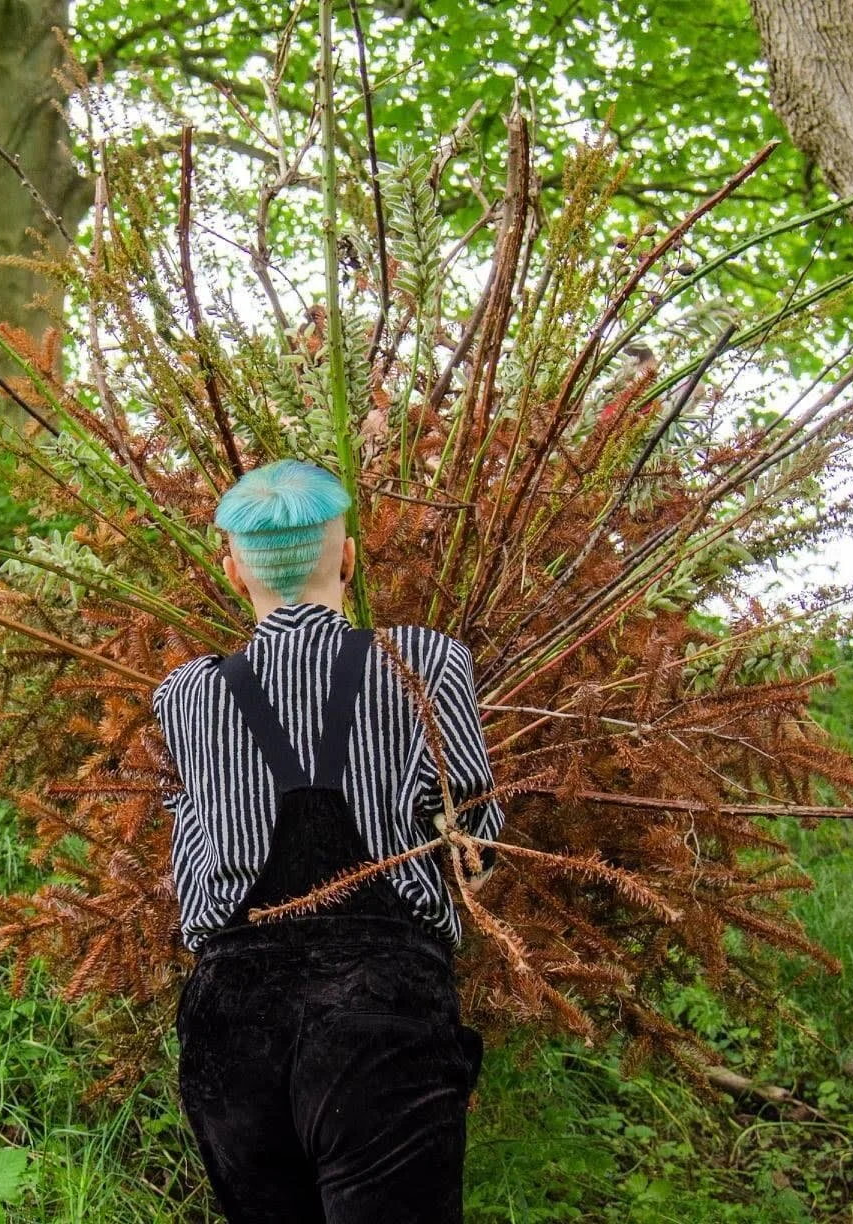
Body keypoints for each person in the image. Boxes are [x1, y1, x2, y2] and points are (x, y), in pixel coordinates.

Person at [151, 458, 505, 1224]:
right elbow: (474, 841)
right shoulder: (429, 662)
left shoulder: (184, 695)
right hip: (382, 1008)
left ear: (234, 571)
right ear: (348, 557)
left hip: (230, 1023)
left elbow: (189, 859)